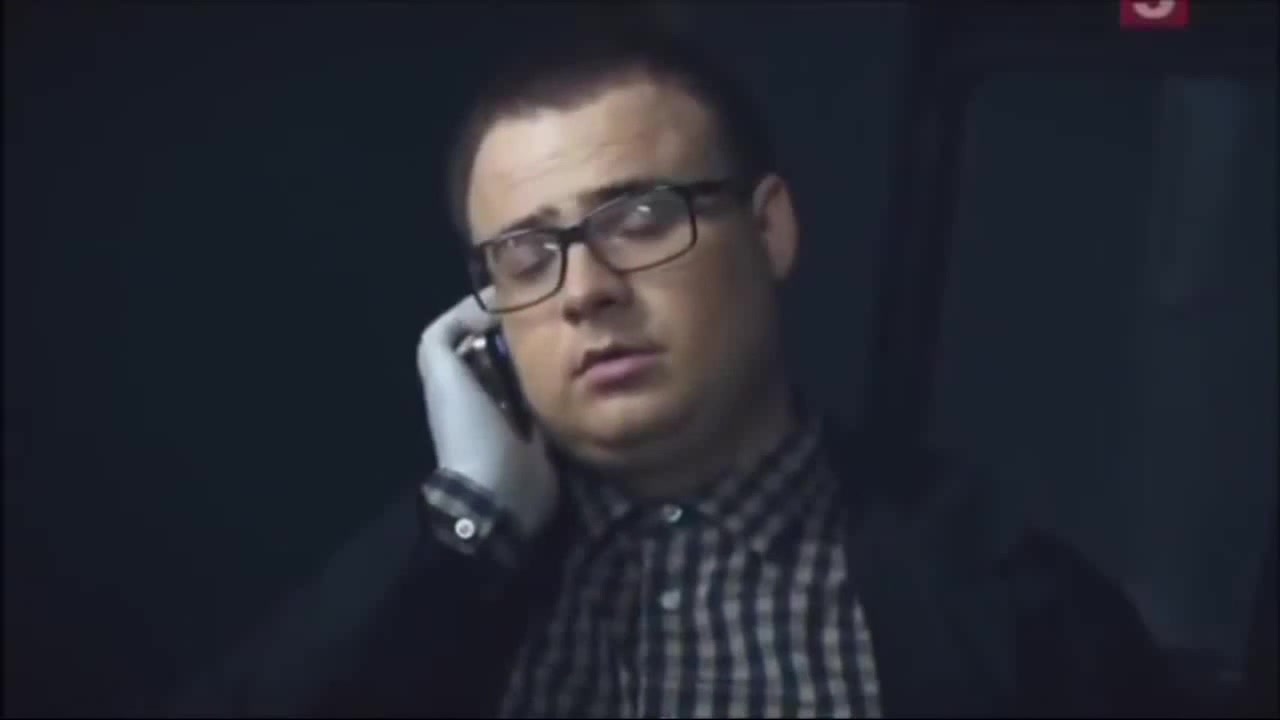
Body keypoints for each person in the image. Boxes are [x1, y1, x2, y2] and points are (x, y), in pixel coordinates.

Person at [169, 13, 1184, 719]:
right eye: (526, 253)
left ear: (770, 230)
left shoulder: (1013, 602)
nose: (583, 290)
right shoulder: (436, 580)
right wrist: (466, 521)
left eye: (639, 217)